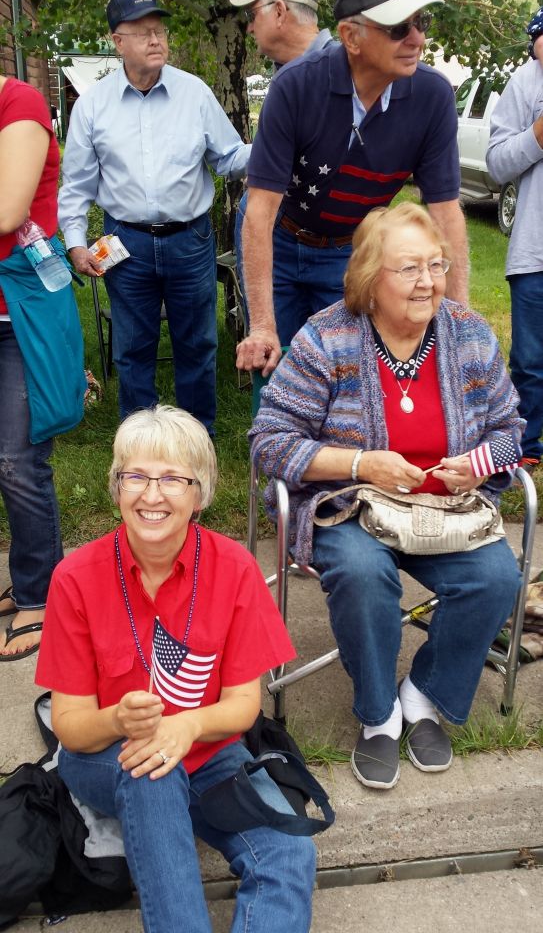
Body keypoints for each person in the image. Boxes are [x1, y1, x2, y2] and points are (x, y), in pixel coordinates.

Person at [250, 202, 521, 791]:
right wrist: (359, 464)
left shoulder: (467, 334)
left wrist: (477, 468)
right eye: (409, 269)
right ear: (370, 278)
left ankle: (422, 695)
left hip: (444, 512)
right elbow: (268, 442)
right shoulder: (327, 337)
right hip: (351, 506)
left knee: (498, 578)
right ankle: (379, 714)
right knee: (361, 572)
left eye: (436, 265)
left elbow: (509, 431)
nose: (428, 281)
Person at [35, 405, 316, 932]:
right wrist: (120, 720)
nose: (152, 494)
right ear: (117, 487)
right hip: (104, 756)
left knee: (287, 852)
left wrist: (186, 725)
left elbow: (242, 705)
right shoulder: (75, 577)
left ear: (199, 492)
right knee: (151, 772)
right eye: (136, 476)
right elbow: (71, 727)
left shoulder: (234, 568)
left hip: (209, 754)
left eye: (171, 479)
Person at [236, 0, 469, 377]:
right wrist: (263, 328)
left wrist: (460, 319)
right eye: (399, 27)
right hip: (281, 240)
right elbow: (259, 213)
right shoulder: (295, 87)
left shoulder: (433, 96)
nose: (417, 39)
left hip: (348, 247)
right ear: (351, 36)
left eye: (421, 23)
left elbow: (445, 211)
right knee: (277, 372)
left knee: (346, 376)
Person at [58, 0, 251, 434]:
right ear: (117, 42)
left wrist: (276, 146)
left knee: (198, 344)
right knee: (133, 347)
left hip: (190, 238)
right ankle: (140, 446)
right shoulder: (92, 107)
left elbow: (228, 157)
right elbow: (78, 186)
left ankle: (195, 440)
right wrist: (74, 243)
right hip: (125, 241)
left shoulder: (194, 93)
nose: (155, 39)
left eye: (159, 30)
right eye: (142, 31)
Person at [0, 74, 82, 660]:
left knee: (19, 459)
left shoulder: (18, 101)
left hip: (16, 312)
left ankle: (40, 591)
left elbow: (9, 211)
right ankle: (28, 573)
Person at [229, 0, 334, 323]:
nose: (249, 25)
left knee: (338, 365)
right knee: (271, 353)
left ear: (279, 11)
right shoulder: (284, 77)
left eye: (253, 12)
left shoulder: (343, 73)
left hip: (335, 247)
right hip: (274, 232)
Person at [486, 4, 543, 473]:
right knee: (531, 362)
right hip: (536, 252)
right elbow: (498, 164)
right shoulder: (526, 82)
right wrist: (538, 135)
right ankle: (528, 449)